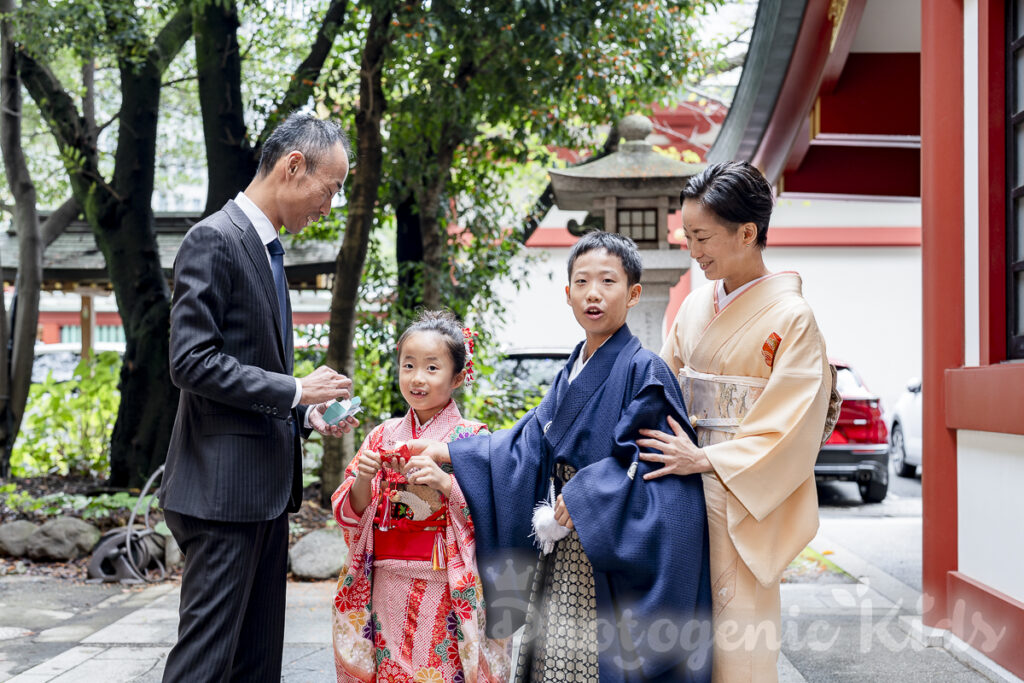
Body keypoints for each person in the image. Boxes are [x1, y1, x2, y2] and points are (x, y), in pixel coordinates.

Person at [408, 232, 713, 683]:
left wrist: (590, 493)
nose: (593, 293)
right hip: (563, 536)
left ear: (633, 294)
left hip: (604, 538)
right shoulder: (571, 370)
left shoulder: (645, 369)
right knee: (555, 659)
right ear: (567, 294)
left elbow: (656, 462)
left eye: (608, 281)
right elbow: (527, 442)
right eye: (582, 282)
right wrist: (452, 451)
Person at [159, 112, 359, 683]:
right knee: (204, 666)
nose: (330, 205)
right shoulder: (214, 239)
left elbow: (248, 373)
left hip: (265, 495)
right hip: (223, 497)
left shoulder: (268, 250)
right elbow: (190, 362)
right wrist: (295, 388)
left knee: (256, 666)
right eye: (331, 188)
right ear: (294, 166)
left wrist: (305, 412)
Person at [637, 161, 837, 683]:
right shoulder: (694, 306)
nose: (692, 250)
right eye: (688, 236)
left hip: (738, 493)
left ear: (747, 233)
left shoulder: (792, 317)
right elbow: (660, 387)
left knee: (738, 640)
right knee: (679, 635)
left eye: (702, 237)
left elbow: (791, 424)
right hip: (679, 486)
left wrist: (706, 458)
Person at [331, 310, 510, 682]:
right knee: (391, 671)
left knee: (440, 671)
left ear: (457, 377)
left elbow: (494, 512)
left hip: (445, 581)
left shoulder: (473, 439)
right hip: (386, 580)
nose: (417, 378)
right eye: (408, 365)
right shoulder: (382, 435)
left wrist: (446, 484)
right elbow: (349, 513)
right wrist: (364, 478)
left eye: (432, 367)